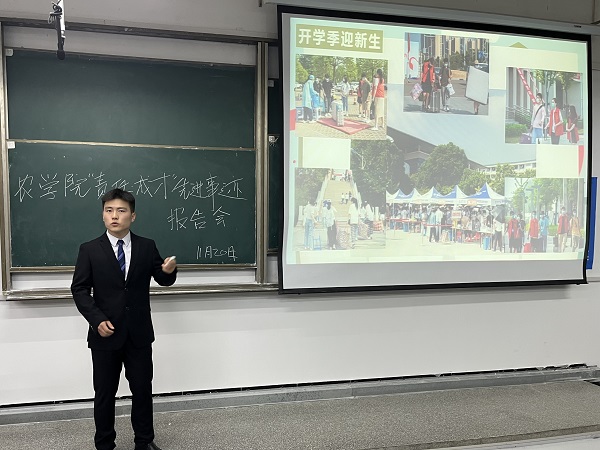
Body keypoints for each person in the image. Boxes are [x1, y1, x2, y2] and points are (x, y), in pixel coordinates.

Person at [71, 188, 177, 450]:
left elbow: (162, 279)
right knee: (104, 393)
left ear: (133, 215)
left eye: (121, 210)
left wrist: (168, 271)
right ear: (103, 215)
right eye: (109, 210)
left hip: (138, 333)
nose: (114, 216)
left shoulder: (146, 246)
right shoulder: (89, 250)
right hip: (104, 333)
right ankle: (104, 443)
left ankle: (144, 441)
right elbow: (80, 289)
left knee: (142, 390)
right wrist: (96, 320)